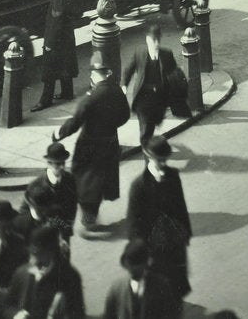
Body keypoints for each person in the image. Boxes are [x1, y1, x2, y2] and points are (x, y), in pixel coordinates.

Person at [53, 55, 131, 232]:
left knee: (85, 179)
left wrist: (58, 134)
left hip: (89, 145)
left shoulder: (91, 97)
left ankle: (88, 217)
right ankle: (91, 215)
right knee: (101, 179)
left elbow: (75, 121)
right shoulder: (117, 91)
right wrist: (111, 126)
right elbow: (125, 115)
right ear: (107, 73)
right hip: (110, 142)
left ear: (95, 74)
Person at [127, 135, 192, 299]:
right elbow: (134, 223)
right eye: (159, 160)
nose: (163, 164)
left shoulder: (173, 176)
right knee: (156, 286)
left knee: (176, 282)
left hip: (173, 240)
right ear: (149, 157)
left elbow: (180, 206)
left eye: (165, 160)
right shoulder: (139, 185)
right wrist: (139, 250)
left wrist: (186, 233)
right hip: (152, 245)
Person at [122, 22, 190, 145]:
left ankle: (150, 147)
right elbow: (129, 70)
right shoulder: (139, 52)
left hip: (159, 98)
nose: (157, 43)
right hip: (143, 97)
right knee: (146, 130)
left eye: (158, 40)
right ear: (147, 40)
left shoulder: (167, 54)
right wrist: (124, 85)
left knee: (153, 123)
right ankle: (149, 158)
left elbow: (175, 74)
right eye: (154, 40)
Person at [1, 225, 85, 319]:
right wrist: (16, 315)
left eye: (37, 254)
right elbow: (7, 305)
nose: (33, 261)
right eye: (31, 253)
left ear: (51, 252)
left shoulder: (70, 277)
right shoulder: (21, 273)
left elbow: (78, 314)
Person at [32, 0, 80, 111]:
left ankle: (45, 100)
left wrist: (49, 43)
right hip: (67, 39)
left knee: (49, 70)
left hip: (57, 41)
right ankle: (67, 92)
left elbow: (56, 22)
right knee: (66, 64)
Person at [102, 239, 182, 319]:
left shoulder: (161, 287)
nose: (131, 271)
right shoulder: (117, 288)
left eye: (136, 267)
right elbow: (108, 316)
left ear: (145, 264)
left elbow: (171, 314)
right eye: (130, 266)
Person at [21, 143, 78, 247]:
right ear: (49, 163)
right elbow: (24, 212)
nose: (61, 167)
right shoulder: (35, 185)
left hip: (63, 232)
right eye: (57, 164)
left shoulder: (70, 179)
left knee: (64, 260)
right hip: (42, 235)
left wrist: (66, 231)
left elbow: (72, 205)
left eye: (63, 163)